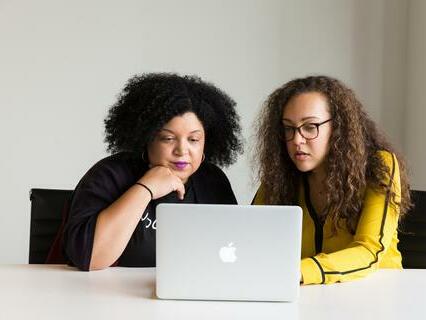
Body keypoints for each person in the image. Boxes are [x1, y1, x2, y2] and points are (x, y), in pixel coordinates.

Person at [63, 73, 242, 271]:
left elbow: (234, 253)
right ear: (147, 138)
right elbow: (89, 258)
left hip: (190, 296)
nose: (182, 151)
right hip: (110, 296)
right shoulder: (110, 175)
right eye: (168, 138)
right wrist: (145, 188)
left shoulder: (213, 181)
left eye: (193, 140)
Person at [252, 75, 411, 285]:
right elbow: (250, 236)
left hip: (378, 295)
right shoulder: (281, 175)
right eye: (289, 128)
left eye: (310, 127)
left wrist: (298, 271)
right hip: (307, 296)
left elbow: (369, 250)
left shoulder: (379, 166)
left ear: (338, 128)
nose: (297, 140)